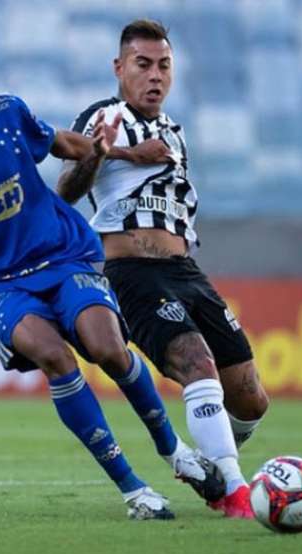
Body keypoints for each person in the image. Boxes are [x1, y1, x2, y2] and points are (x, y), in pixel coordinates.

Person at [0, 31, 222, 520]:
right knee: (54, 357)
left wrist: (111, 151)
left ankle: (176, 453)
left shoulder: (4, 111)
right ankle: (134, 490)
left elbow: (63, 143)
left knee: (106, 346)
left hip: (63, 255)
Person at [58, 19, 270, 519]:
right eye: (143, 64)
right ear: (119, 68)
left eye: (164, 66)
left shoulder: (174, 131)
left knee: (251, 398)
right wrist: (103, 152)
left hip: (186, 271)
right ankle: (236, 492)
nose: (155, 75)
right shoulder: (103, 117)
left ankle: (217, 454)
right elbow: (66, 188)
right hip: (132, 273)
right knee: (197, 364)